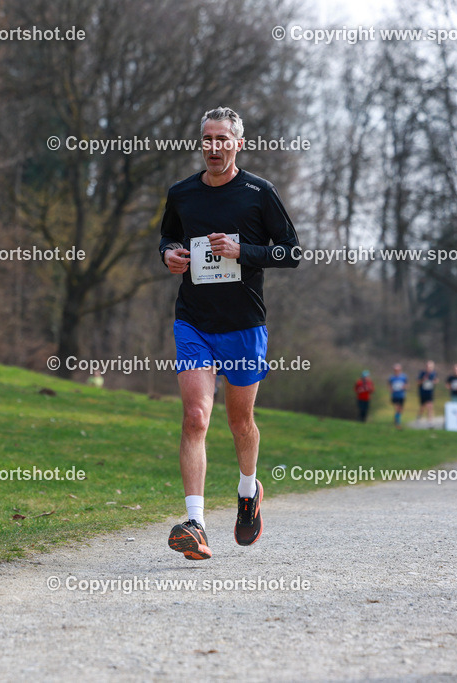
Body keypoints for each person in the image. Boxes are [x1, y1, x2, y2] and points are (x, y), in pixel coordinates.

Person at [159, 106, 300, 560]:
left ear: (238, 144)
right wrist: (170, 256)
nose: (214, 147)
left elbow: (291, 252)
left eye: (223, 139)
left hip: (243, 324)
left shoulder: (259, 192)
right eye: (207, 139)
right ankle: (195, 524)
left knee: (240, 421)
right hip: (194, 320)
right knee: (196, 417)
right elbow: (167, 238)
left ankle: (247, 489)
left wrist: (244, 251)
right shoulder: (182, 193)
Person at [417, 360, 437, 428]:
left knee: (430, 406)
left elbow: (436, 381)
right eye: (428, 366)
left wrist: (434, 381)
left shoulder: (434, 373)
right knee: (422, 407)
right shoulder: (422, 373)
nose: (429, 368)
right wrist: (423, 380)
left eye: (431, 367)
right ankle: (419, 417)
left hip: (430, 392)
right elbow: (418, 382)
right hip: (423, 392)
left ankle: (430, 421)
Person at [389, 364, 408, 430]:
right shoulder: (391, 378)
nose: (396, 371)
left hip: (401, 395)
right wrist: (391, 394)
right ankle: (398, 423)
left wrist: (403, 387)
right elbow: (390, 386)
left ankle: (396, 418)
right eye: (395, 370)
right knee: (397, 408)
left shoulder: (404, 377)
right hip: (395, 395)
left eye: (398, 370)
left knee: (400, 410)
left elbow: (407, 385)